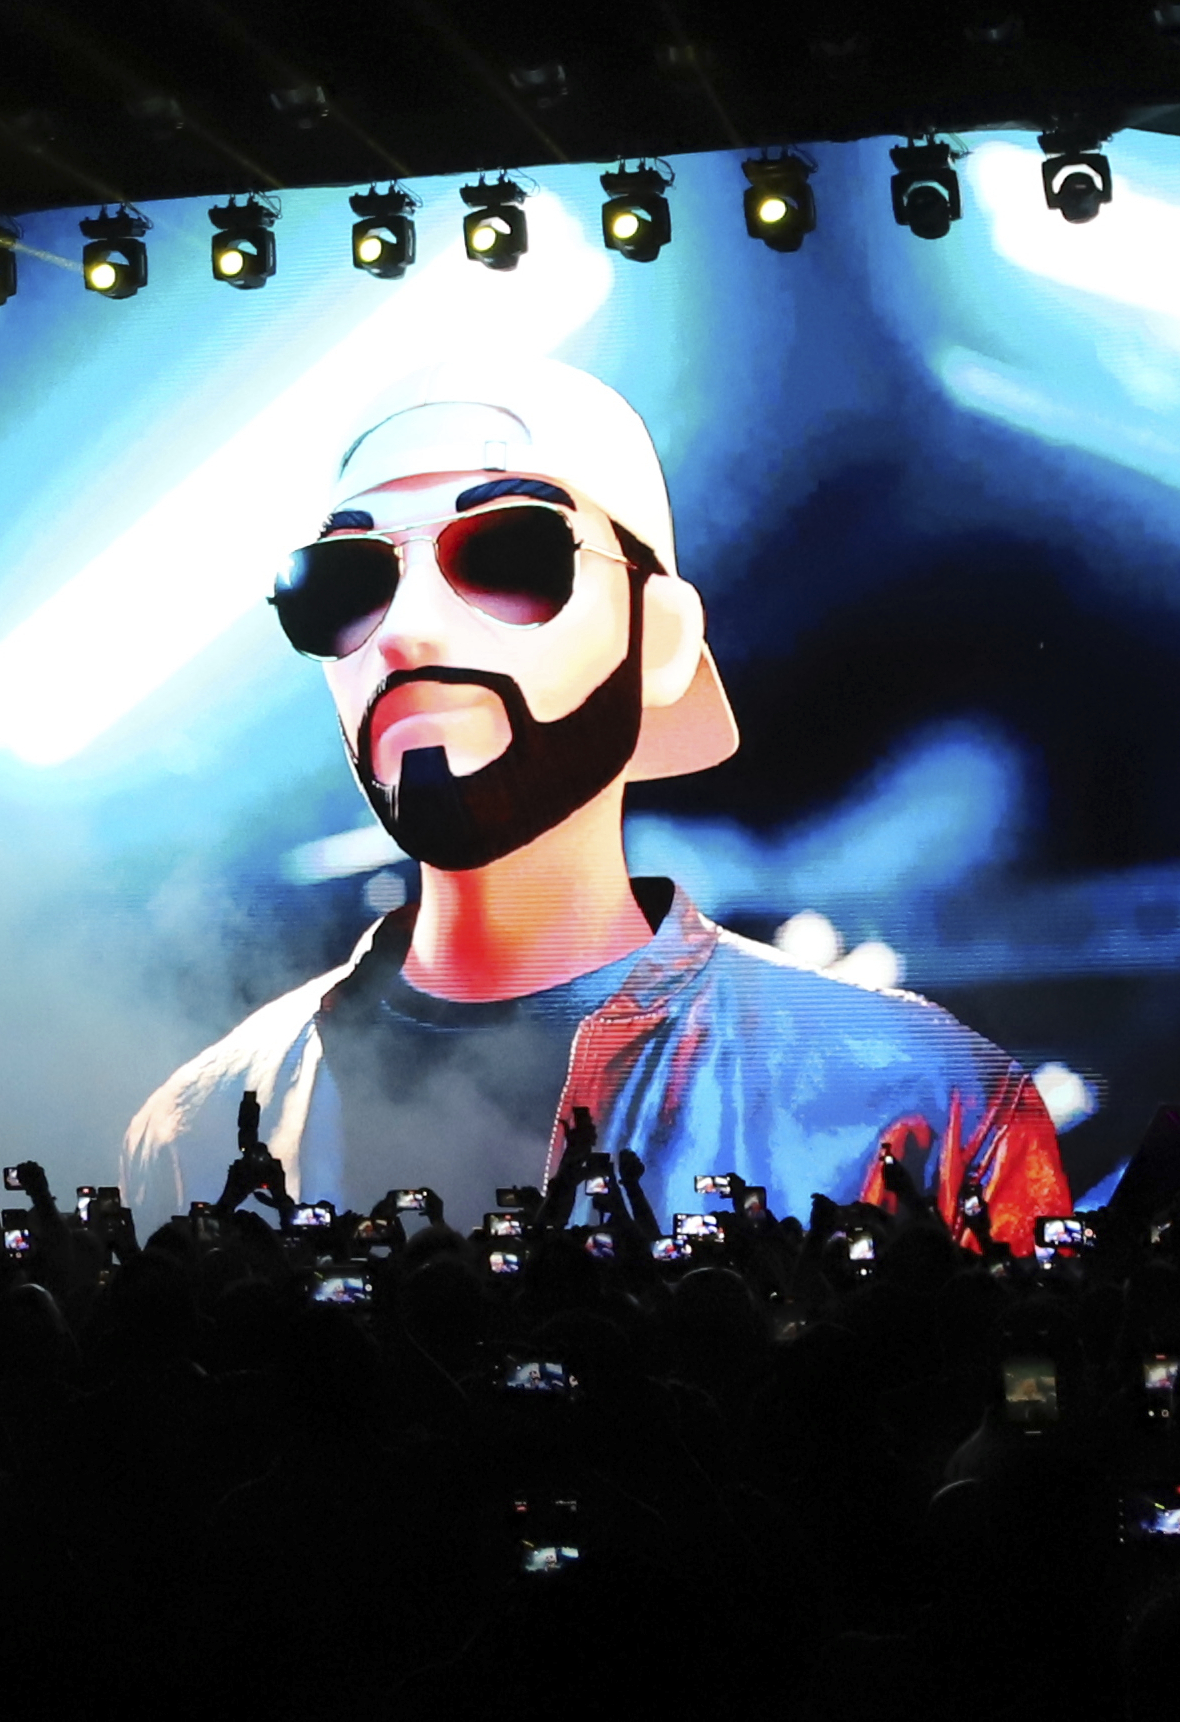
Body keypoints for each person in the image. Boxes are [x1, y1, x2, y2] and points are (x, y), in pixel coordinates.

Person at [121, 355, 1071, 1240]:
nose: (405, 628)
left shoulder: (922, 1102)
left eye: (506, 553)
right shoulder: (193, 1132)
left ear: (658, 638)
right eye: (341, 581)